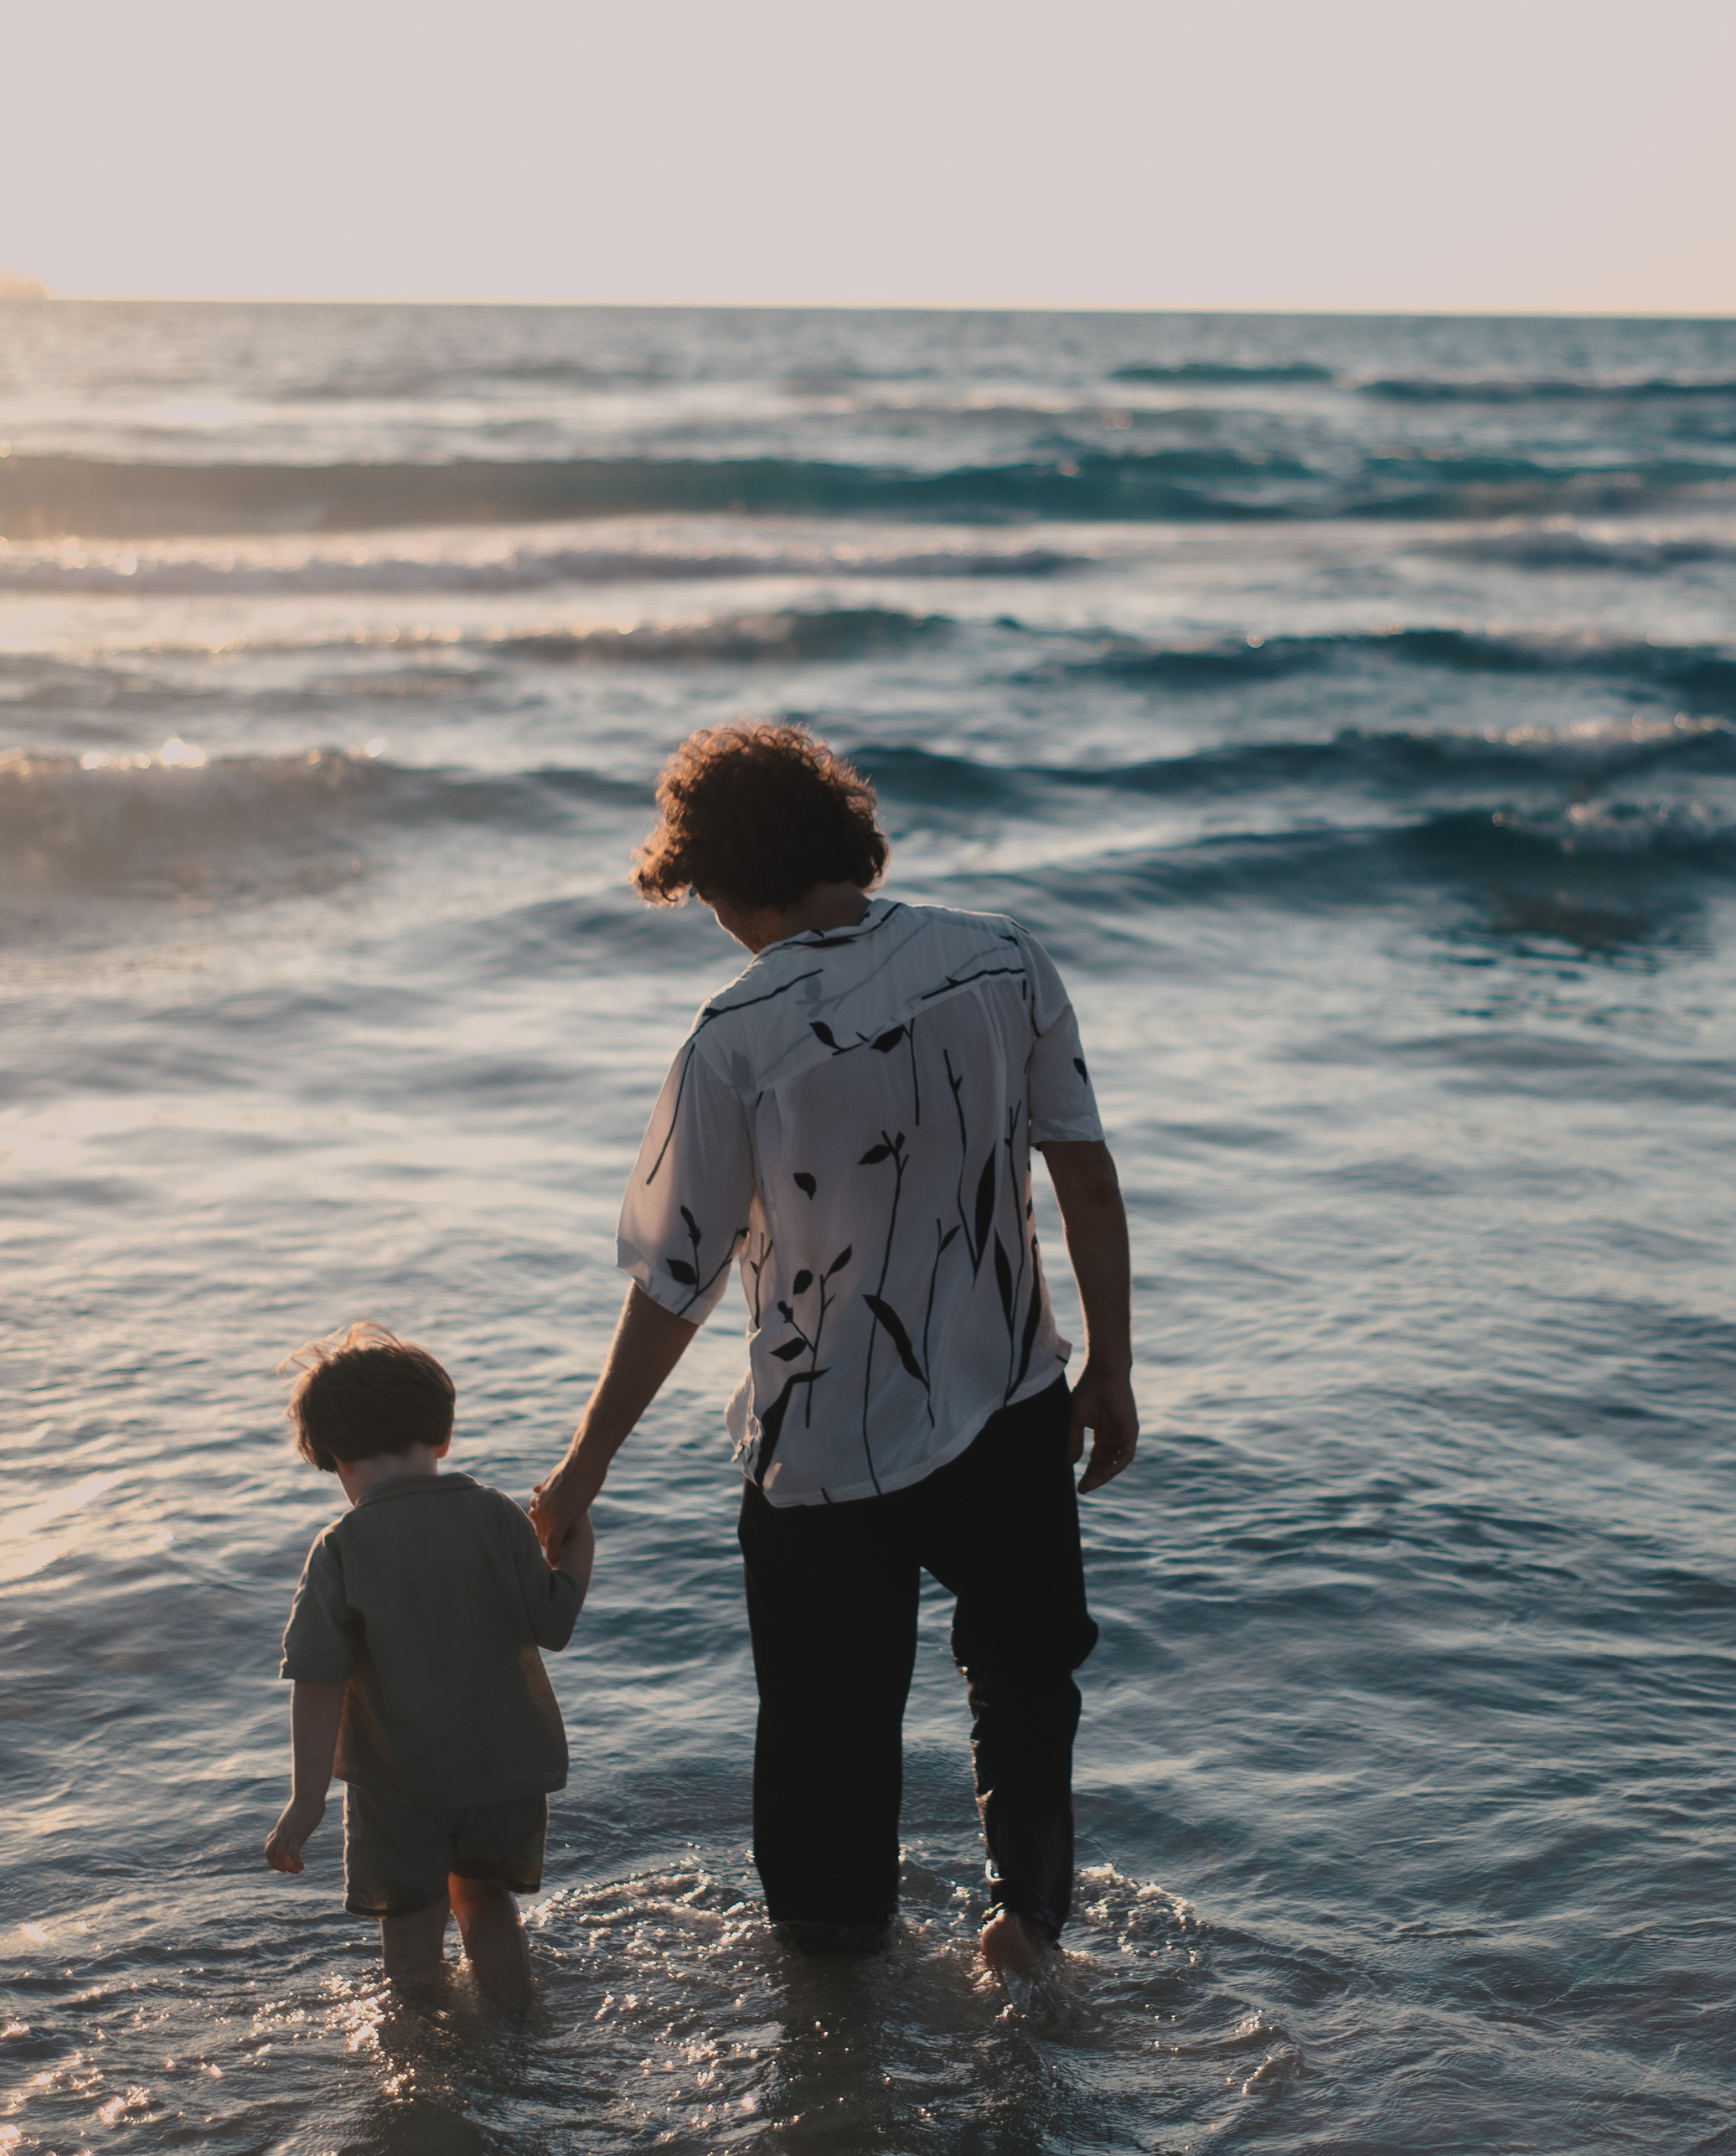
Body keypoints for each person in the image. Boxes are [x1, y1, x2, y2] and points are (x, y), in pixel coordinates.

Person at [531, 720, 1137, 1977]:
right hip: (1012, 1398)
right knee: (1026, 1686)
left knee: (827, 1746)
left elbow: (675, 1285)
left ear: (726, 876)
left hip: (822, 1452)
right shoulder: (1003, 957)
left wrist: (582, 1470)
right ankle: (1025, 1922)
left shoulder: (735, 1037)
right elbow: (1083, 1173)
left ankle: (837, 2025)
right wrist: (1113, 1368)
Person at [267, 1326, 593, 2008]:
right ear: (441, 1436)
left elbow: (318, 1679)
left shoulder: (343, 1546)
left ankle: (423, 2071)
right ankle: (516, 2034)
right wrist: (575, 1540)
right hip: (504, 1772)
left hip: (400, 1787)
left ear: (329, 1457)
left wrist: (307, 1799)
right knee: (486, 1903)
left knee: (412, 1927)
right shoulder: (498, 1515)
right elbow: (555, 1623)